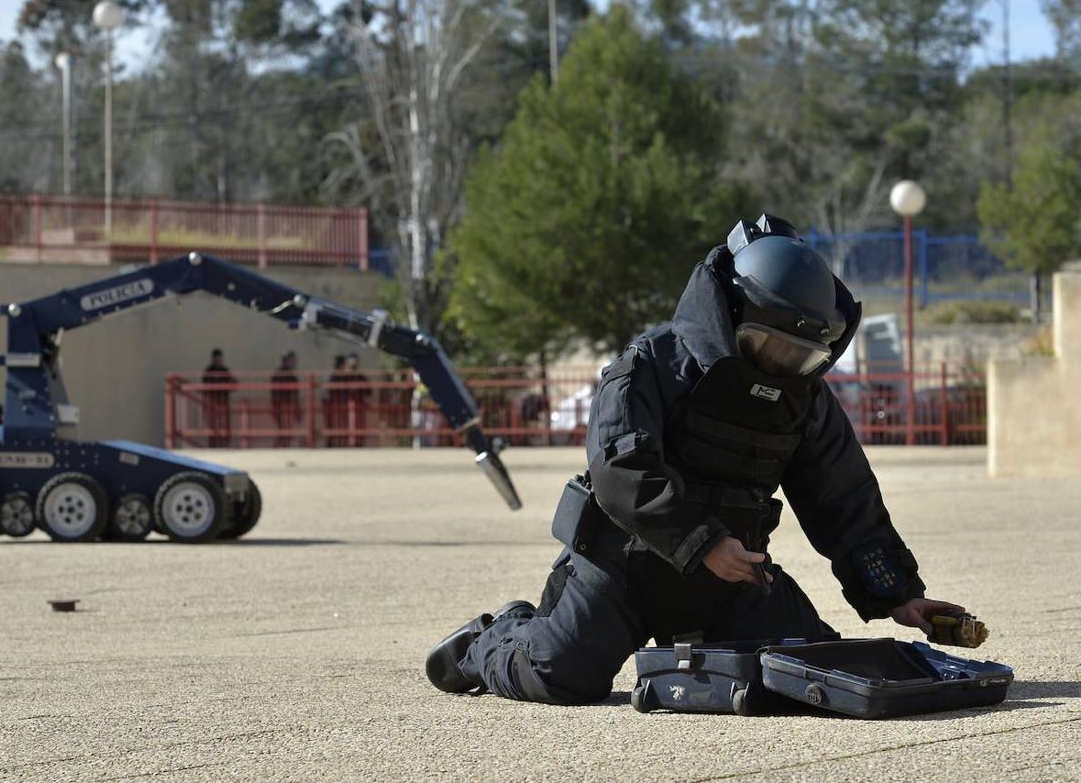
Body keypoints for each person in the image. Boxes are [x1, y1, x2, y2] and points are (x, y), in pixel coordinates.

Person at [425, 214, 966, 705]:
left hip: (734, 578)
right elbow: (621, 472)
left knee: (814, 672)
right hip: (621, 570)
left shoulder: (806, 401)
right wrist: (702, 542)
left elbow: (845, 500)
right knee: (560, 676)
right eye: (767, 345)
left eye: (798, 356)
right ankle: (494, 639)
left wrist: (900, 595)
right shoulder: (650, 366)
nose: (780, 365)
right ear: (732, 313)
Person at [201, 348, 237, 447]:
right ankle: (213, 445)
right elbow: (205, 385)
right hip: (212, 403)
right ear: (213, 359)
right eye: (216, 359)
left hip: (223, 403)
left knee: (224, 425)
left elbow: (234, 383)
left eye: (220, 358)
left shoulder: (225, 370)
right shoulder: (209, 371)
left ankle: (225, 445)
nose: (218, 360)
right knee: (213, 426)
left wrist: (225, 386)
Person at [270, 352, 301, 447]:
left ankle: (283, 445)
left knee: (286, 428)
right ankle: (281, 445)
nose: (294, 363)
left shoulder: (288, 376)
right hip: (284, 405)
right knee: (284, 428)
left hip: (286, 405)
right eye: (292, 360)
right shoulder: (284, 376)